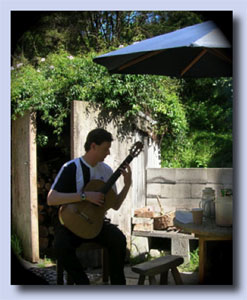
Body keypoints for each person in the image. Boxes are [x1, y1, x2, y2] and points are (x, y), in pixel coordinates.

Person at [47, 128, 132, 285]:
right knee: (61, 246)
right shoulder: (71, 167)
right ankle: (82, 283)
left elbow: (116, 205)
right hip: (71, 224)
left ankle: (119, 285)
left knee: (118, 239)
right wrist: (85, 196)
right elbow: (51, 198)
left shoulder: (106, 171)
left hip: (95, 224)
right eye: (105, 148)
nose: (108, 153)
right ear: (93, 146)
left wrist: (127, 184)